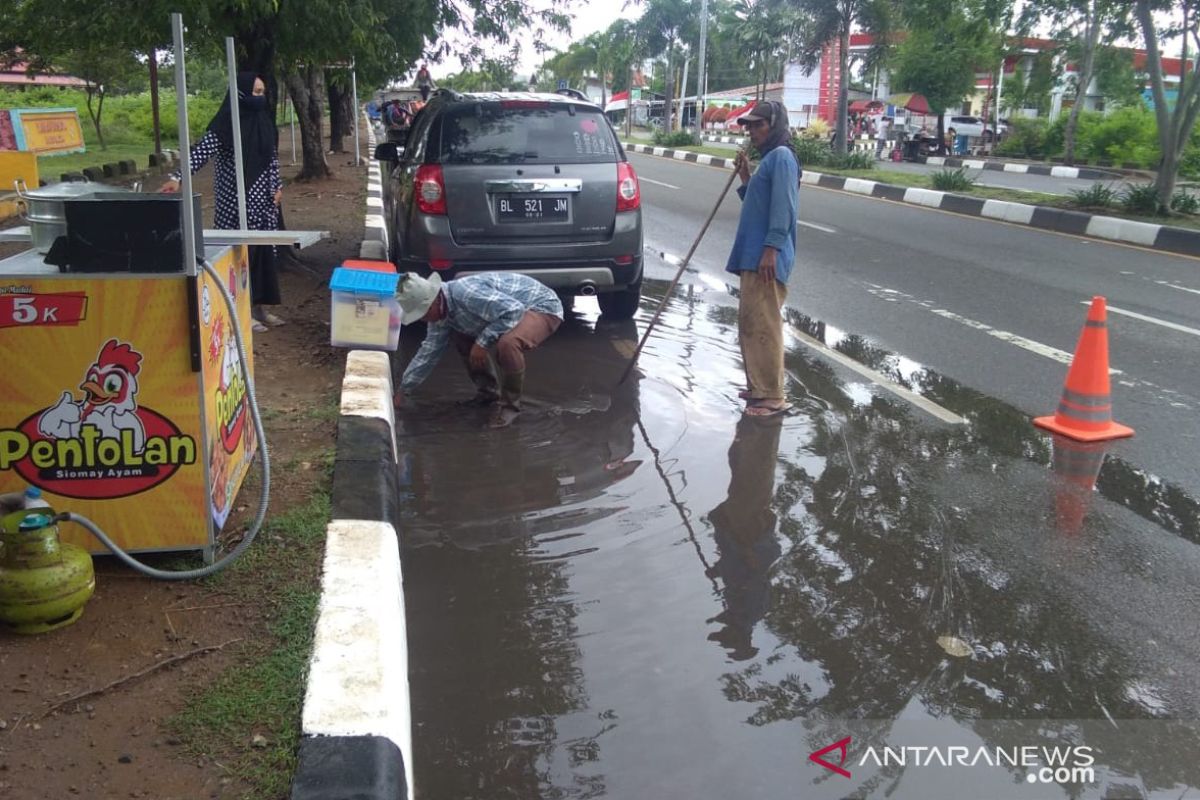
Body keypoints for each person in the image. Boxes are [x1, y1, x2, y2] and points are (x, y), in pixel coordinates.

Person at [161, 72, 283, 333]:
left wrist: (277, 186)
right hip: (236, 201)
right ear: (240, 94)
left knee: (263, 252)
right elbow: (201, 152)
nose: (259, 98)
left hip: (264, 202)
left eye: (262, 92)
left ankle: (260, 307)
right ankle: (240, 311)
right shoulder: (227, 123)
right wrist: (178, 177)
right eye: (255, 92)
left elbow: (271, 157)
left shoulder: (264, 121)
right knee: (239, 255)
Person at [392, 272, 564, 427]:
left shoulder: (466, 294)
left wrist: (481, 343)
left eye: (422, 314)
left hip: (541, 306)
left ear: (432, 303)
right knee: (462, 337)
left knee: (508, 343)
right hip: (510, 310)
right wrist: (404, 388)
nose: (422, 320)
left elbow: (513, 310)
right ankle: (488, 394)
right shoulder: (441, 313)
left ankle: (510, 407)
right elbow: (428, 352)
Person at [728, 101, 799, 418]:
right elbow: (758, 205)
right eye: (750, 126)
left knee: (764, 325)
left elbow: (783, 208)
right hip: (754, 255)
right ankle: (759, 388)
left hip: (765, 258)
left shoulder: (782, 157)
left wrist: (771, 249)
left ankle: (772, 396)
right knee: (750, 322)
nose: (753, 131)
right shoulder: (770, 159)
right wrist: (746, 178)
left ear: (775, 125)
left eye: (759, 125)